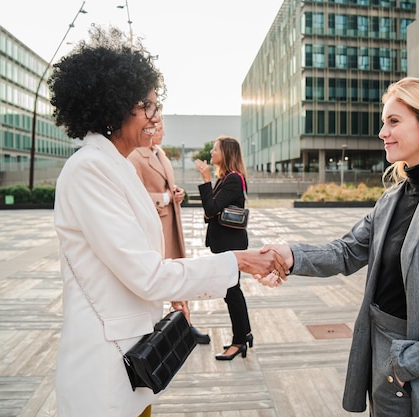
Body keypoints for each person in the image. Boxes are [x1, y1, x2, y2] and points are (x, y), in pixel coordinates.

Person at [49, 27, 286, 417]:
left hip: (133, 364)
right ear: (115, 106)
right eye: (147, 106)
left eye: (155, 106)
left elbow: (140, 263)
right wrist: (239, 261)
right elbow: (146, 274)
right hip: (103, 375)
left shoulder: (115, 165)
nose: (155, 117)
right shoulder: (90, 170)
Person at [257, 77, 419, 417]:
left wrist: (408, 361)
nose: (382, 132)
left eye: (394, 121)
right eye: (383, 122)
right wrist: (290, 255)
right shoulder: (391, 199)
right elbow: (347, 252)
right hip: (382, 355)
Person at [128, 120, 211, 344]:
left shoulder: (160, 154)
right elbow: (133, 194)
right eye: (160, 128)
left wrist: (177, 193)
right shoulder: (135, 156)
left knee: (178, 279)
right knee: (158, 280)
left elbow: (166, 186)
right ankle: (154, 335)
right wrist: (164, 198)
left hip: (171, 225)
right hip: (154, 229)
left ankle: (185, 327)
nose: (163, 132)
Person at [194, 136, 253, 361]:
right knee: (232, 291)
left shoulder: (233, 180)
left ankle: (239, 341)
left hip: (231, 245)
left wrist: (205, 178)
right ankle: (244, 334)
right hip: (227, 244)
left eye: (215, 149)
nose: (211, 152)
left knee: (232, 291)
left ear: (226, 153)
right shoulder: (227, 178)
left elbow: (211, 209)